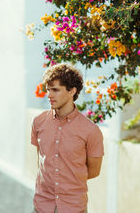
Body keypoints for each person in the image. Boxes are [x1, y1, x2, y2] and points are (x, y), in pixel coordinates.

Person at [31, 64, 104, 213]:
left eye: (56, 90)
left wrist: (68, 180)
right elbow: (42, 161)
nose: (49, 95)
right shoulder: (38, 122)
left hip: (73, 208)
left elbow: (94, 171)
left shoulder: (91, 131)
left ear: (72, 91)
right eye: (48, 90)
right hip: (42, 206)